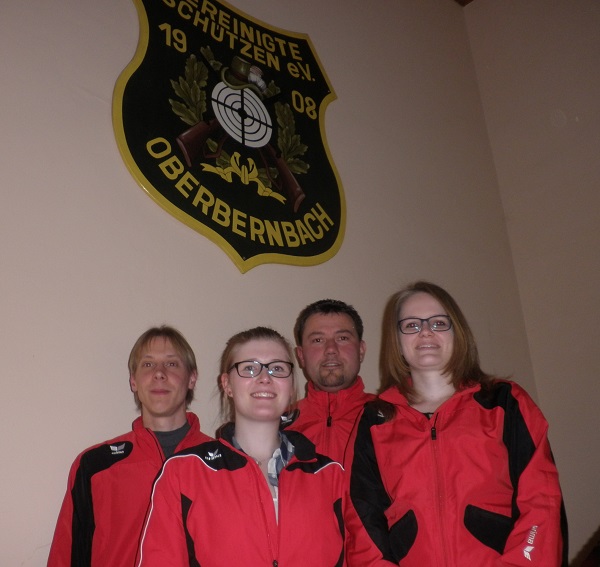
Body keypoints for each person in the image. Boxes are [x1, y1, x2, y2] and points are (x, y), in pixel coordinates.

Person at [345, 281, 568, 566]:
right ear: (397, 342)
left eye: (439, 323)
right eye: (411, 325)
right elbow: (363, 521)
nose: (425, 331)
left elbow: (542, 499)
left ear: (458, 333)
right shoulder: (374, 420)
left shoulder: (505, 402)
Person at [136, 326, 347, 566]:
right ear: (227, 384)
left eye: (277, 368)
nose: (265, 378)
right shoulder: (183, 473)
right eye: (249, 368)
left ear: (291, 386)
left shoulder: (331, 475)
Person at [48, 326, 211, 567]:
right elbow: (67, 557)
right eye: (148, 364)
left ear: (192, 378)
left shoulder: (226, 465)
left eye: (172, 364)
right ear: (133, 381)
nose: (159, 373)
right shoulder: (95, 466)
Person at [286, 299, 375, 466]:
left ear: (361, 350)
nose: (331, 349)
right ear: (301, 356)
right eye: (318, 340)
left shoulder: (393, 419)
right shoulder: (278, 426)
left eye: (342, 338)